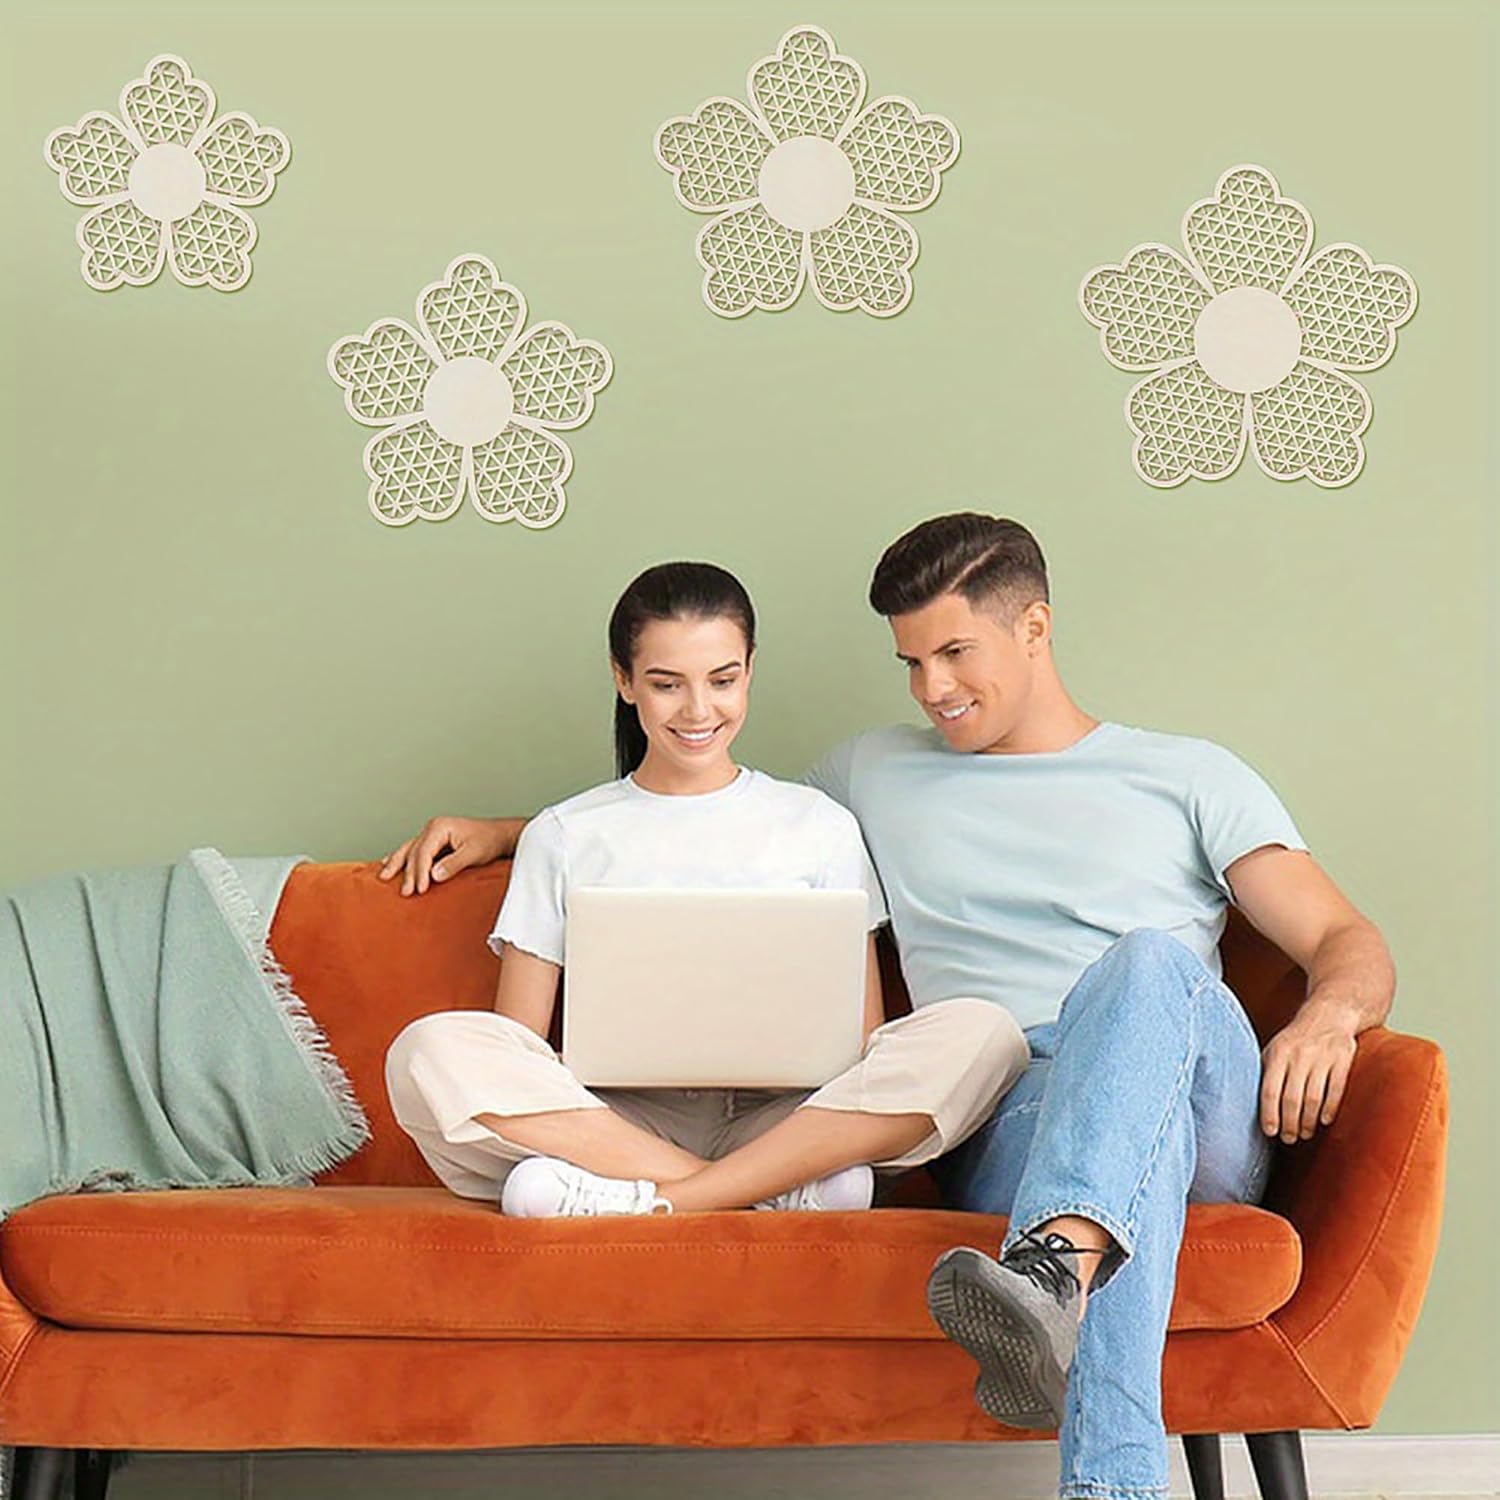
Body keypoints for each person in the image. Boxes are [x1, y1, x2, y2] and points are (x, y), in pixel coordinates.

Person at [382, 518, 1394, 1499]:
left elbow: (1345, 939)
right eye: (911, 663)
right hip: (1012, 1110)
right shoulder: (872, 774)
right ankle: (1067, 1311)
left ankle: (1054, 1278)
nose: (932, 690)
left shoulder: (1188, 776)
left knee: (1143, 965)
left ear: (1035, 627)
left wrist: (1327, 1017)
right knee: (1028, 1069)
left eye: (954, 655)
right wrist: (517, 834)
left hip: (1181, 1077)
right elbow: (700, 804)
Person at [384, 560, 1027, 1220]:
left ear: (750, 671)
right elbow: (517, 1044)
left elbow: (860, 1043)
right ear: (624, 680)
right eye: (667, 685)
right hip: (621, 1124)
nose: (698, 710)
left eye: (722, 680)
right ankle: (765, 1192)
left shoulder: (820, 826)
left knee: (988, 1034)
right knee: (427, 1051)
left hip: (787, 1120)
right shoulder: (563, 835)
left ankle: (647, 1198)